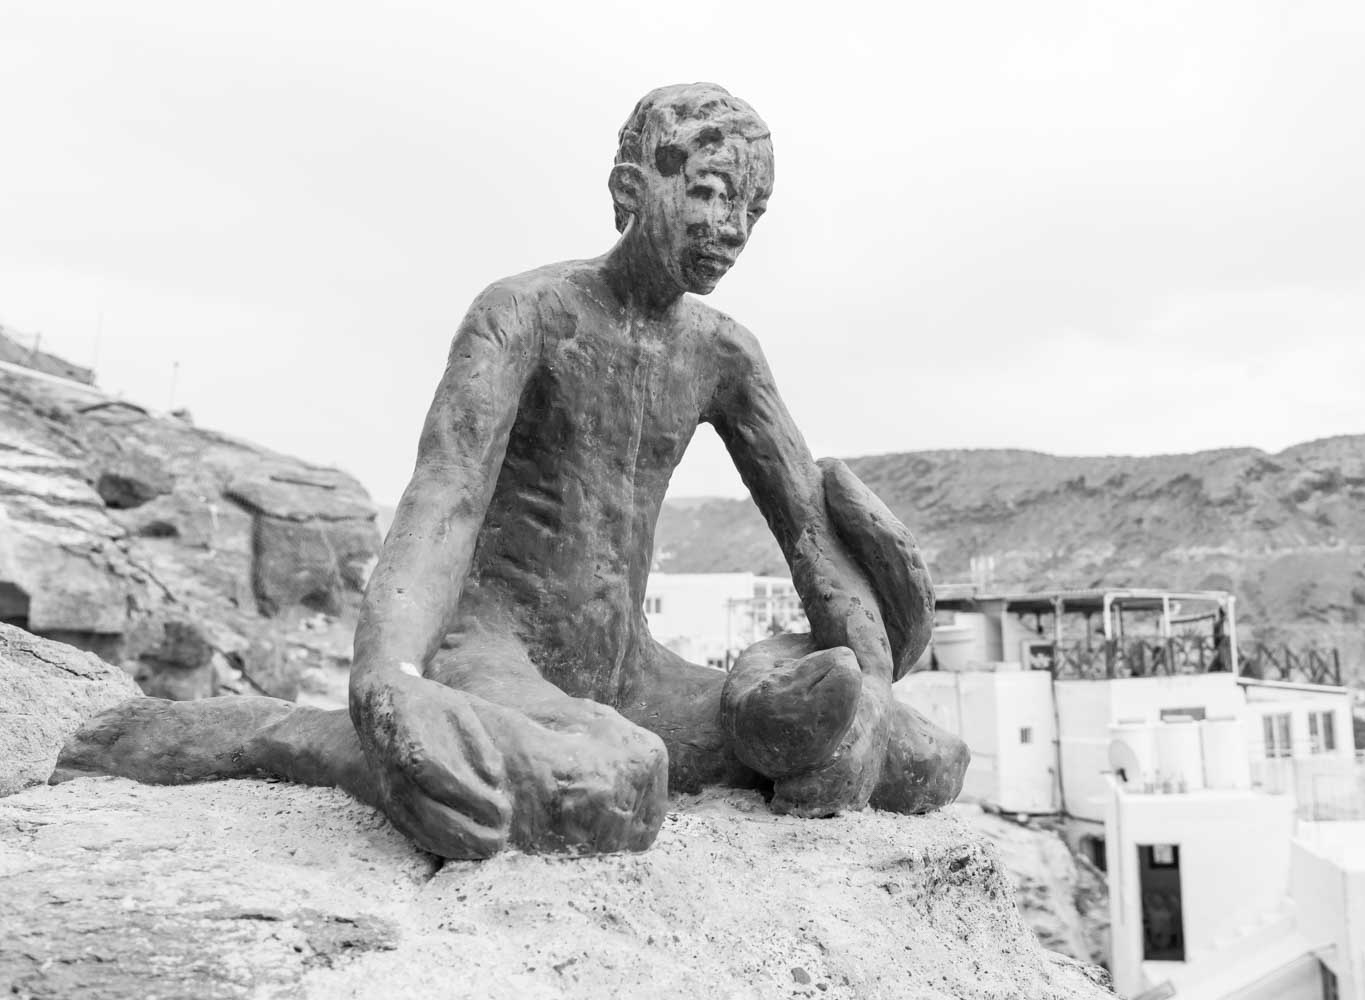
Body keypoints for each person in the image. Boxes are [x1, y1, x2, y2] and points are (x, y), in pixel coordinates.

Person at [54, 83, 968, 859]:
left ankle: (765, 715)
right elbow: (443, 502)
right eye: (711, 193)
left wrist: (868, 693)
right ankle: (311, 739)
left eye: (752, 212)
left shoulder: (725, 354)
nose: (731, 229)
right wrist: (389, 678)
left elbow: (811, 529)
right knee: (614, 786)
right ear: (630, 186)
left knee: (920, 757)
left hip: (632, 676)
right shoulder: (521, 314)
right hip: (499, 655)